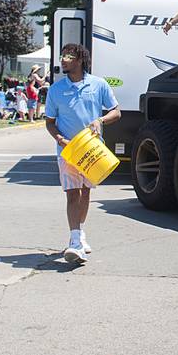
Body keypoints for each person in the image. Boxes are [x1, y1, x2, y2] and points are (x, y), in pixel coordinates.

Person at [45, 43, 121, 264]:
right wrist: (59, 139)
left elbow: (116, 112)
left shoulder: (98, 85)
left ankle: (80, 233)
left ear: (80, 60)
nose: (63, 60)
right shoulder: (56, 90)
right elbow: (49, 123)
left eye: (68, 56)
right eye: (62, 56)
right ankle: (75, 241)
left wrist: (100, 120)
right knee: (71, 194)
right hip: (68, 151)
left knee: (85, 193)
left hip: (93, 150)